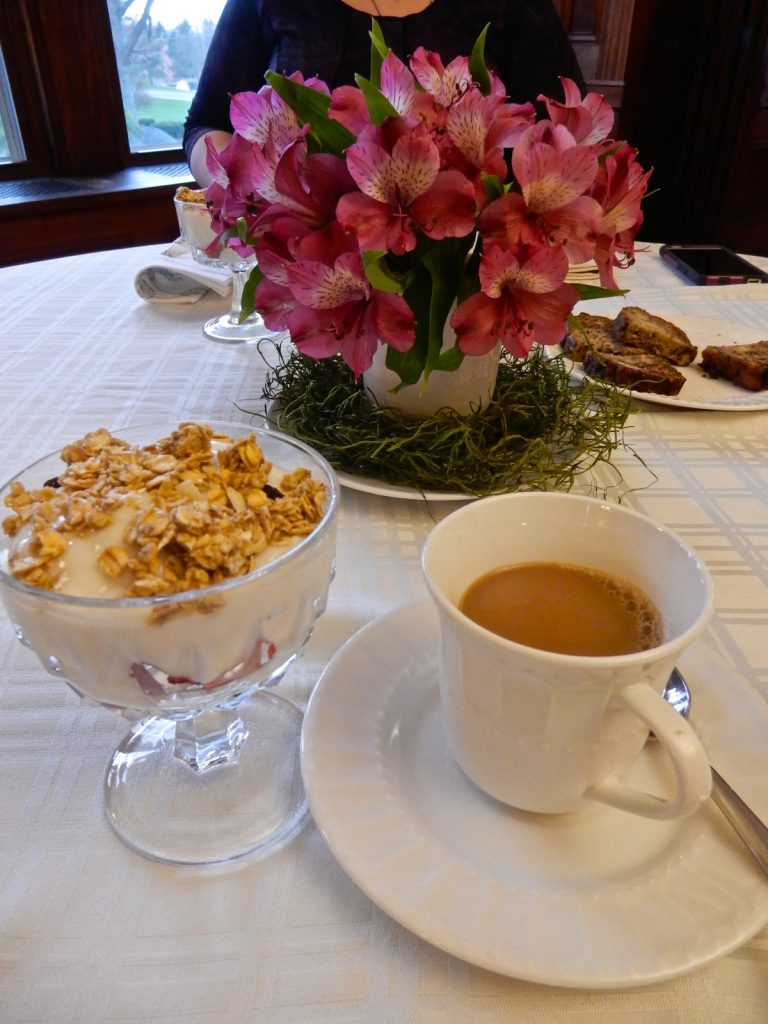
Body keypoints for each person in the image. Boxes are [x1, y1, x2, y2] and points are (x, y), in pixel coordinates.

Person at [183, 0, 585, 185]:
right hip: (302, 279)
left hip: (471, 273)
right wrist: (253, 199)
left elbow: (566, 129)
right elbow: (206, 125)